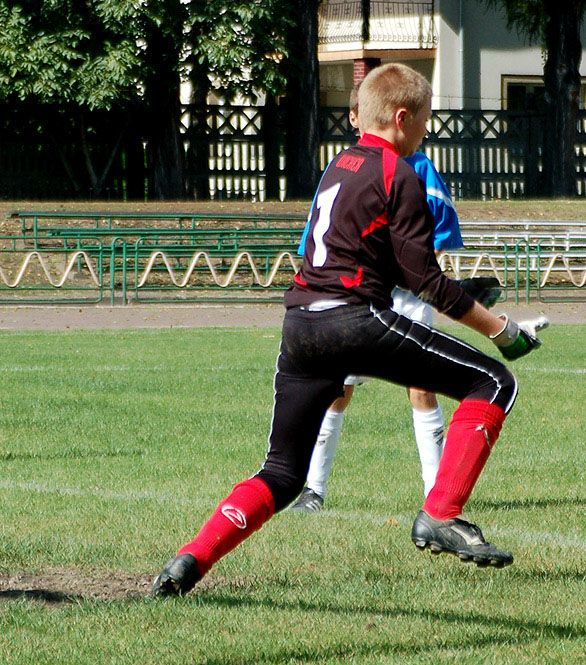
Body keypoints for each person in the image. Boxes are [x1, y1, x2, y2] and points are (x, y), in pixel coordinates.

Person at [151, 63, 545, 597]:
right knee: (495, 381)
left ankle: (189, 562)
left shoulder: (340, 164)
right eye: (425, 120)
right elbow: (423, 280)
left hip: (300, 326)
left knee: (283, 473)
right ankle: (441, 514)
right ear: (403, 117)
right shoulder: (400, 173)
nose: (427, 132)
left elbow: (381, 260)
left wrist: (467, 289)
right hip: (353, 320)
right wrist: (500, 330)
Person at [290, 88, 494, 511]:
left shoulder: (417, 168)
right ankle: (313, 489)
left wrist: (425, 277)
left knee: (422, 388)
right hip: (357, 300)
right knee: (337, 391)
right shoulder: (349, 166)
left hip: (406, 298)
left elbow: (437, 234)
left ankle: (435, 490)